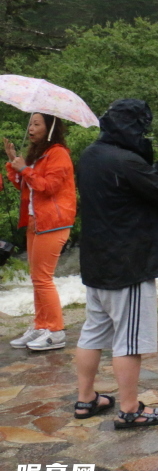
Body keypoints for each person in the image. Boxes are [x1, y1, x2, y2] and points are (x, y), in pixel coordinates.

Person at [73, 99, 158, 428]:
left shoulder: (91, 155)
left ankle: (86, 399)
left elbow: (124, 184)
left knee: (93, 333)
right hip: (129, 262)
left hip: (96, 260)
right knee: (128, 340)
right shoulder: (126, 160)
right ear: (135, 127)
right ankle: (129, 410)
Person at [4, 114, 77, 351]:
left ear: (50, 128)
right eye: (30, 124)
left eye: (37, 124)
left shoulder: (58, 153)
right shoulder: (38, 154)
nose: (31, 128)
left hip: (54, 222)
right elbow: (24, 185)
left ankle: (55, 331)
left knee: (43, 279)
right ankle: (40, 325)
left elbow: (48, 187)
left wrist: (25, 168)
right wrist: (14, 163)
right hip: (36, 221)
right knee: (36, 278)